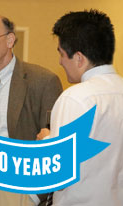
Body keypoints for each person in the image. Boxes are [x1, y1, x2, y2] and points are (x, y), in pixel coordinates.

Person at [0, 13, 63, 206]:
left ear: (10, 40)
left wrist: (32, 197)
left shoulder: (42, 82)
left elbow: (54, 148)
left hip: (16, 191)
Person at [38, 9, 123, 206]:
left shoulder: (74, 98)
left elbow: (57, 174)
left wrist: (46, 141)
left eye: (61, 54)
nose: (60, 61)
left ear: (78, 58)